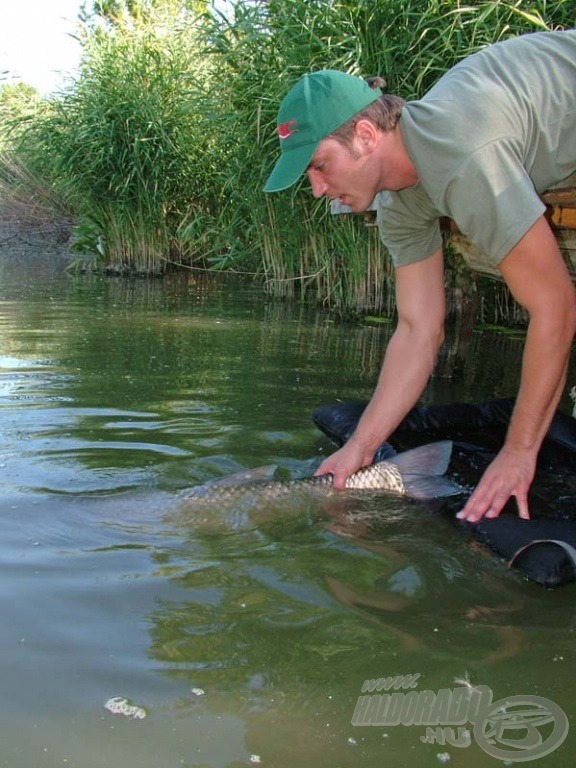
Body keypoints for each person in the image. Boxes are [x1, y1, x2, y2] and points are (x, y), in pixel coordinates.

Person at [264, 29, 576, 523]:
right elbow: (417, 328)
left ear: (366, 136)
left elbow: (555, 306)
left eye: (320, 165)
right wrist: (361, 446)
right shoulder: (396, 201)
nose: (320, 189)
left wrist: (518, 452)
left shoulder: (462, 156)